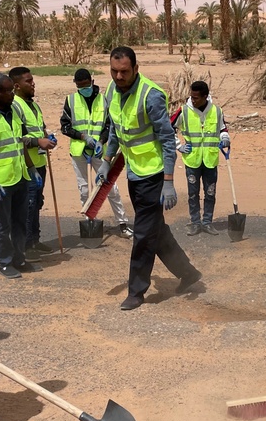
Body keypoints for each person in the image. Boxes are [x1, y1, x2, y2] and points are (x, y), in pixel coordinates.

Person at [98, 47, 200, 310]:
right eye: (114, 71)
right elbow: (115, 132)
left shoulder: (151, 95)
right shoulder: (110, 91)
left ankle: (137, 291)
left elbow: (167, 141)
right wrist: (106, 162)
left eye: (124, 71)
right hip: (134, 171)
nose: (118, 76)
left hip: (154, 175)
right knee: (156, 231)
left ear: (136, 68)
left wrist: (168, 181)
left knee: (143, 234)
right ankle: (188, 273)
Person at [0, 73, 53, 279]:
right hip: (0, 180)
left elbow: (20, 141)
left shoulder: (14, 110)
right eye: (9, 91)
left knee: (20, 221)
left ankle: (19, 259)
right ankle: (5, 263)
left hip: (20, 175)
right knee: (3, 224)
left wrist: (31, 168)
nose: (13, 95)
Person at [59, 68, 132, 238]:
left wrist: (100, 141)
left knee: (110, 187)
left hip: (100, 153)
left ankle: (122, 223)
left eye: (85, 86)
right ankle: (90, 223)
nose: (83, 89)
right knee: (84, 189)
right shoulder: (70, 100)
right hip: (79, 153)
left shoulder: (104, 100)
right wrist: (83, 137)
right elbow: (65, 127)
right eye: (79, 87)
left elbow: (109, 126)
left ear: (92, 82)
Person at [9, 66, 59, 258]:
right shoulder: (15, 106)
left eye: (32, 80)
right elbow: (17, 138)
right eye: (28, 81)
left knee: (37, 202)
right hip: (26, 164)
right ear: (17, 85)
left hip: (39, 162)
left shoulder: (34, 106)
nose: (32, 83)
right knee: (28, 205)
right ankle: (26, 246)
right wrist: (38, 141)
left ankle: (35, 240)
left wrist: (48, 138)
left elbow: (41, 129)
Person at [171, 80, 230, 236]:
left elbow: (223, 128)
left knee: (210, 192)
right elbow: (170, 128)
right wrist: (179, 146)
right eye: (192, 96)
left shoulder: (217, 111)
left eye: (196, 97)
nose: (193, 100)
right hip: (192, 160)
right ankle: (195, 223)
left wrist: (225, 138)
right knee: (193, 193)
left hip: (210, 159)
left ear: (205, 97)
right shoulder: (183, 111)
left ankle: (208, 222)